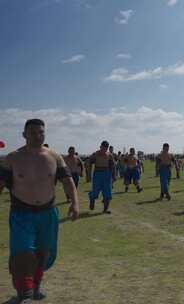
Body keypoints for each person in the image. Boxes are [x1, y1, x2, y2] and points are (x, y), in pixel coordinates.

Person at [0, 119, 79, 302]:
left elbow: (68, 181)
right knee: (23, 254)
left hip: (47, 213)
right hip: (21, 214)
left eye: (41, 132)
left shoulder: (54, 157)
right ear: (24, 134)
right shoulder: (12, 158)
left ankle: (35, 288)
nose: (38, 136)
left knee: (43, 253)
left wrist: (74, 203)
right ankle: (25, 295)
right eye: (33, 132)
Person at [88, 141, 116, 213]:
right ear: (100, 147)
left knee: (107, 192)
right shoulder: (95, 154)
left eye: (106, 148)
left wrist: (113, 175)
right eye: (103, 148)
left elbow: (113, 166)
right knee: (95, 191)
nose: (104, 150)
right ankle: (92, 199)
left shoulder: (109, 155)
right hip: (97, 175)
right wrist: (89, 174)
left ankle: (105, 209)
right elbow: (89, 163)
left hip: (107, 175)